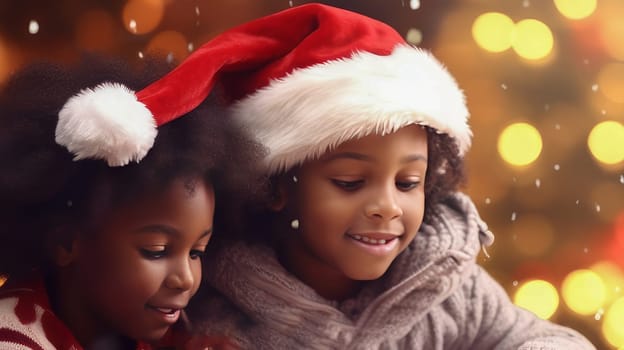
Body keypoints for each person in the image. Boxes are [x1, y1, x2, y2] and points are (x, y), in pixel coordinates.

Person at [72, 4, 592, 349]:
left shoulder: (446, 286)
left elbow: (537, 337)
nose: (387, 206)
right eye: (350, 182)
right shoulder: (219, 309)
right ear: (275, 186)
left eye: (408, 183)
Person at [0, 54, 263, 349]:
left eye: (196, 252)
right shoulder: (13, 338)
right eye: (157, 250)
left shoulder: (171, 331)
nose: (185, 279)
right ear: (66, 242)